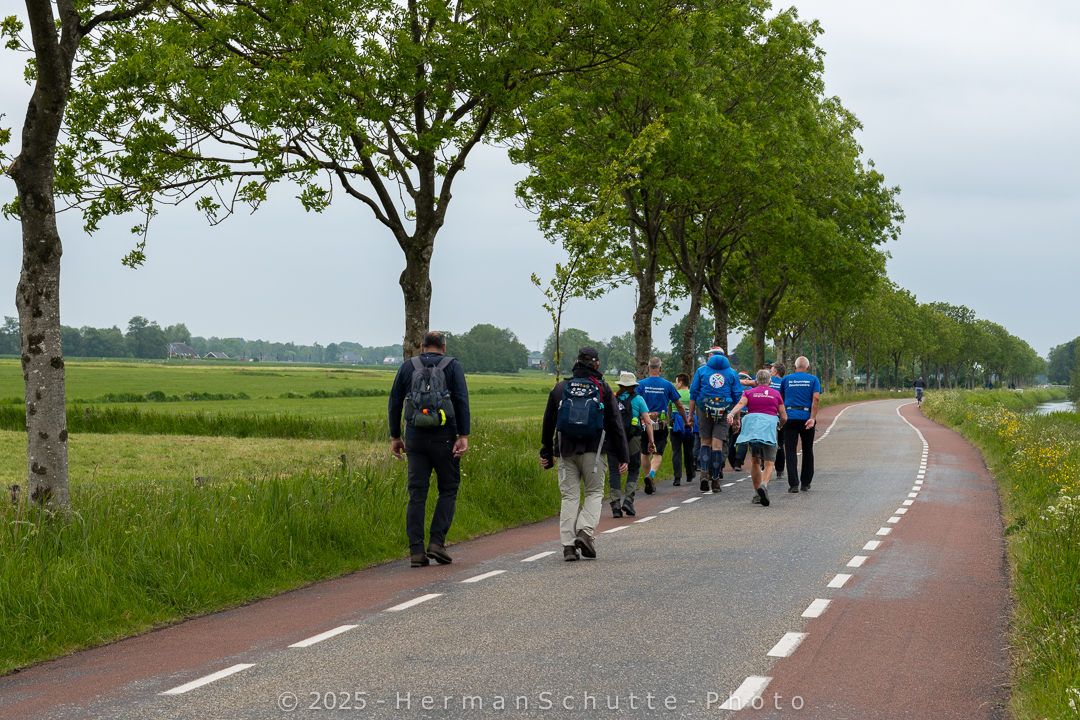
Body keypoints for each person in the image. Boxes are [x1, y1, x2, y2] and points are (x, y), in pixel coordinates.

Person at [389, 331, 471, 568]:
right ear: (444, 347)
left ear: (422, 346)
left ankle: (416, 551)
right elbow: (462, 400)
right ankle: (436, 542)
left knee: (417, 494)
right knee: (448, 489)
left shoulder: (408, 366)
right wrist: (463, 435)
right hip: (445, 438)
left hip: (414, 440)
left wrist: (395, 436)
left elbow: (394, 402)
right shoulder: (452, 366)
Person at [540, 347, 629, 562]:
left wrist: (547, 451)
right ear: (597, 364)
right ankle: (585, 532)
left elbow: (548, 423)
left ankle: (569, 548)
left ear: (576, 362)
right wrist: (623, 456)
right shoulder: (603, 389)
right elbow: (616, 424)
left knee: (569, 497)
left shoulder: (561, 388)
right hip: (594, 451)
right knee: (594, 493)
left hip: (565, 451)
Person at [688, 347, 742, 493]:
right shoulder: (732, 373)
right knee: (717, 446)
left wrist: (691, 415)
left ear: (711, 356)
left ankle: (704, 473)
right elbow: (737, 397)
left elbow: (693, 393)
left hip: (703, 409)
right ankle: (716, 480)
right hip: (724, 411)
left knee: (705, 442)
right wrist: (736, 418)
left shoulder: (701, 371)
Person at [729, 369, 787, 506]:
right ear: (770, 381)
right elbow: (784, 416)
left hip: (754, 428)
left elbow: (740, 404)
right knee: (769, 462)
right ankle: (764, 485)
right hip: (769, 429)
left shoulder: (749, 392)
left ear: (756, 381)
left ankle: (756, 494)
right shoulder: (776, 394)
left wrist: (731, 414)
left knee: (755, 461)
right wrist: (779, 426)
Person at [636, 357, 688, 494]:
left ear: (648, 368)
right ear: (660, 368)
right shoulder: (667, 385)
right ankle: (651, 475)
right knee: (658, 452)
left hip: (644, 423)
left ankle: (648, 479)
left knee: (645, 452)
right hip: (660, 423)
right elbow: (679, 405)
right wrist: (686, 420)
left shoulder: (640, 385)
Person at [608, 372, 655, 517]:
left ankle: (615, 507)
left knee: (614, 471)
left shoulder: (612, 398)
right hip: (632, 439)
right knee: (634, 469)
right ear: (634, 386)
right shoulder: (638, 399)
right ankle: (628, 500)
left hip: (613, 439)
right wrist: (651, 441)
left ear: (620, 385)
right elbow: (648, 422)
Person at [780, 356, 821, 493]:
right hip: (806, 417)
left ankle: (793, 484)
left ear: (794, 367)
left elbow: (781, 398)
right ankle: (805, 482)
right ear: (808, 367)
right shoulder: (814, 380)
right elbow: (816, 398)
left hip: (790, 417)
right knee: (807, 450)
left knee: (791, 450)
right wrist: (812, 418)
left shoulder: (786, 379)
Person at [669, 373, 695, 486]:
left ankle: (677, 477)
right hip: (689, 425)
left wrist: (670, 420)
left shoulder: (674, 394)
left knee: (676, 451)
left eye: (676, 382)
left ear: (680, 382)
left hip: (676, 425)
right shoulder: (692, 394)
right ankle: (690, 474)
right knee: (689, 450)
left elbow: (669, 410)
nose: (675, 384)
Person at [770, 362, 787, 483]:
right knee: (780, 443)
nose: (770, 373)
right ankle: (780, 471)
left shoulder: (768, 382)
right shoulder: (785, 382)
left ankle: (765, 467)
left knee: (765, 441)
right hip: (781, 417)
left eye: (771, 371)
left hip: (768, 416)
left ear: (776, 372)